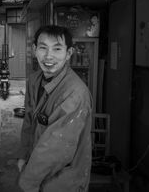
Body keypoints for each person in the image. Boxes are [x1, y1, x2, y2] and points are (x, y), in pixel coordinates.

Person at [17, 25, 92, 192]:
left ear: (68, 54)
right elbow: (29, 121)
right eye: (43, 48)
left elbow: (54, 149)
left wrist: (27, 182)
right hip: (36, 170)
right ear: (34, 50)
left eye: (57, 49)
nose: (48, 56)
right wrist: (23, 154)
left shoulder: (74, 94)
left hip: (62, 181)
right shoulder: (35, 80)